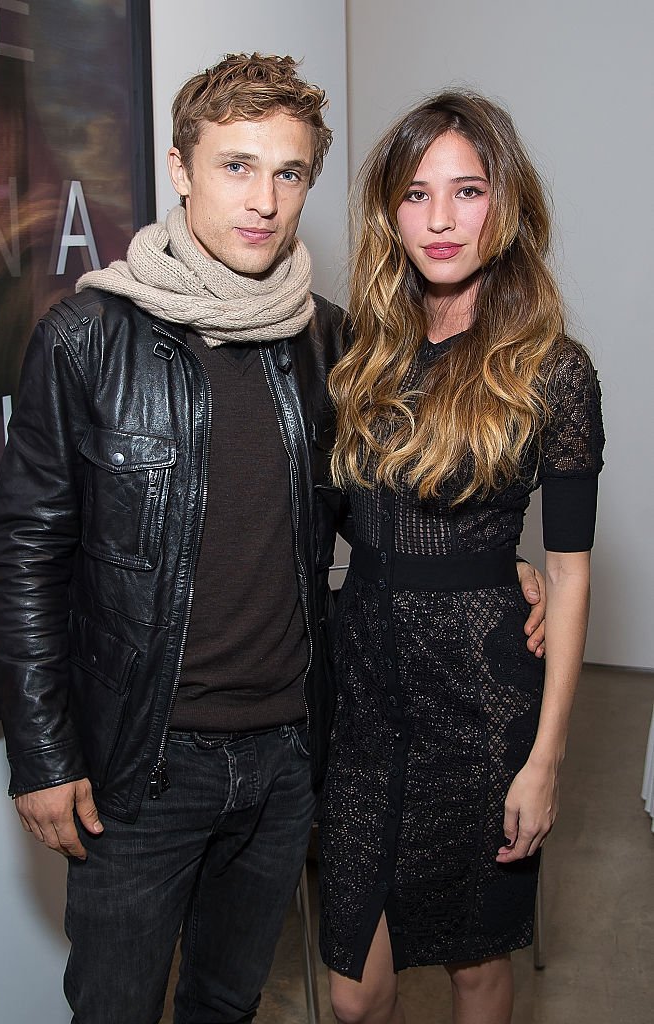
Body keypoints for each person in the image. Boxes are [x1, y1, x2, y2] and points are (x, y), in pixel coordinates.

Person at [0, 56, 545, 1024]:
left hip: (287, 751)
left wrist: (493, 569)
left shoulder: (325, 342)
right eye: (237, 166)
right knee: (113, 1005)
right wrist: (41, 755)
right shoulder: (87, 335)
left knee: (227, 1000)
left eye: (287, 173)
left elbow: (373, 510)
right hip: (139, 762)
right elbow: (27, 553)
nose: (263, 200)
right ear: (180, 168)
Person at [320, 91, 604, 1024]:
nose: (439, 219)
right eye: (414, 193)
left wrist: (545, 760)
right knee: (355, 994)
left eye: (467, 190)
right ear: (387, 212)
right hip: (365, 696)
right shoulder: (361, 350)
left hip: (482, 706)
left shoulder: (552, 370)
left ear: (505, 204)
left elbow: (565, 572)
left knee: (475, 966)